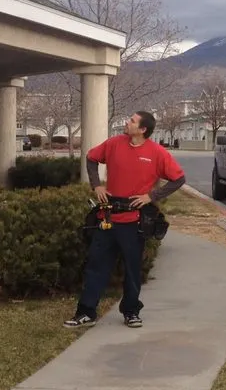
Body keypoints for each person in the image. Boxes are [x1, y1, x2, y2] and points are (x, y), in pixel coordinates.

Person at [64, 111, 186, 329]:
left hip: (134, 221)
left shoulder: (157, 153)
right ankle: (86, 312)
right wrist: (97, 185)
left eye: (132, 121)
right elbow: (91, 159)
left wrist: (151, 196)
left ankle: (131, 311)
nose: (126, 123)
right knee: (96, 266)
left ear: (142, 130)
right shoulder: (114, 144)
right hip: (107, 218)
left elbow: (178, 178)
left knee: (132, 269)